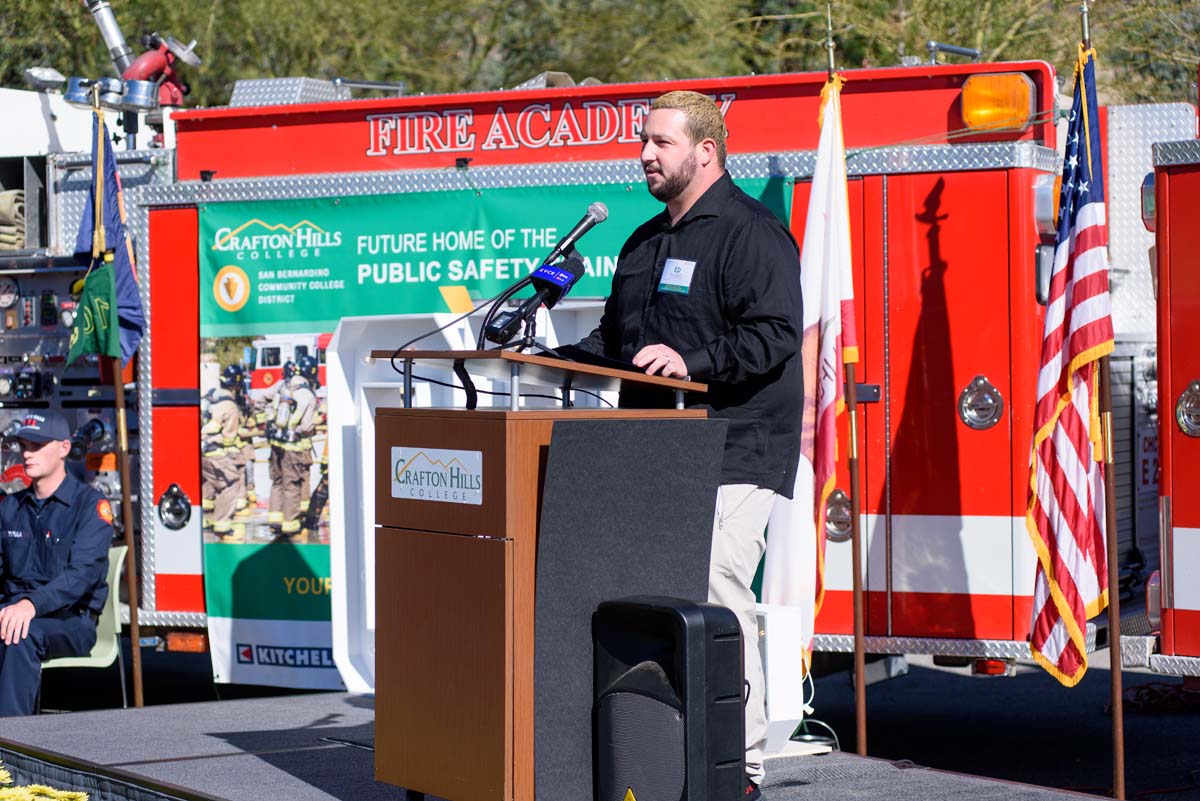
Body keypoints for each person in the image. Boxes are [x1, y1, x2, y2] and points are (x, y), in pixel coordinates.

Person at [574, 90, 803, 800]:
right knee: (663, 599)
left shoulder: (750, 232)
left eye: (660, 143)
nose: (644, 154)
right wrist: (543, 354)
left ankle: (741, 768)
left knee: (718, 595)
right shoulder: (644, 242)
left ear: (705, 150)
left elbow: (774, 333)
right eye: (643, 141)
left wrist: (692, 361)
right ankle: (671, 752)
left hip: (734, 449)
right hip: (654, 453)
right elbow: (616, 343)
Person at [0, 413, 113, 716]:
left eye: (36, 445)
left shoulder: (90, 507)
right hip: (15, 611)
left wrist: (30, 605)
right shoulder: (11, 506)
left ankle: (9, 750)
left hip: (71, 620)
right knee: (15, 626)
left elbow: (80, 578)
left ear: (64, 448)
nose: (26, 453)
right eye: (23, 445)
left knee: (20, 635)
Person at [201, 364, 248, 541]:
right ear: (236, 385)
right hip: (215, 452)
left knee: (211, 483)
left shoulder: (211, 397)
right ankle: (222, 525)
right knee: (232, 482)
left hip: (201, 449)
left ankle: (205, 520)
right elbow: (229, 438)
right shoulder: (231, 407)